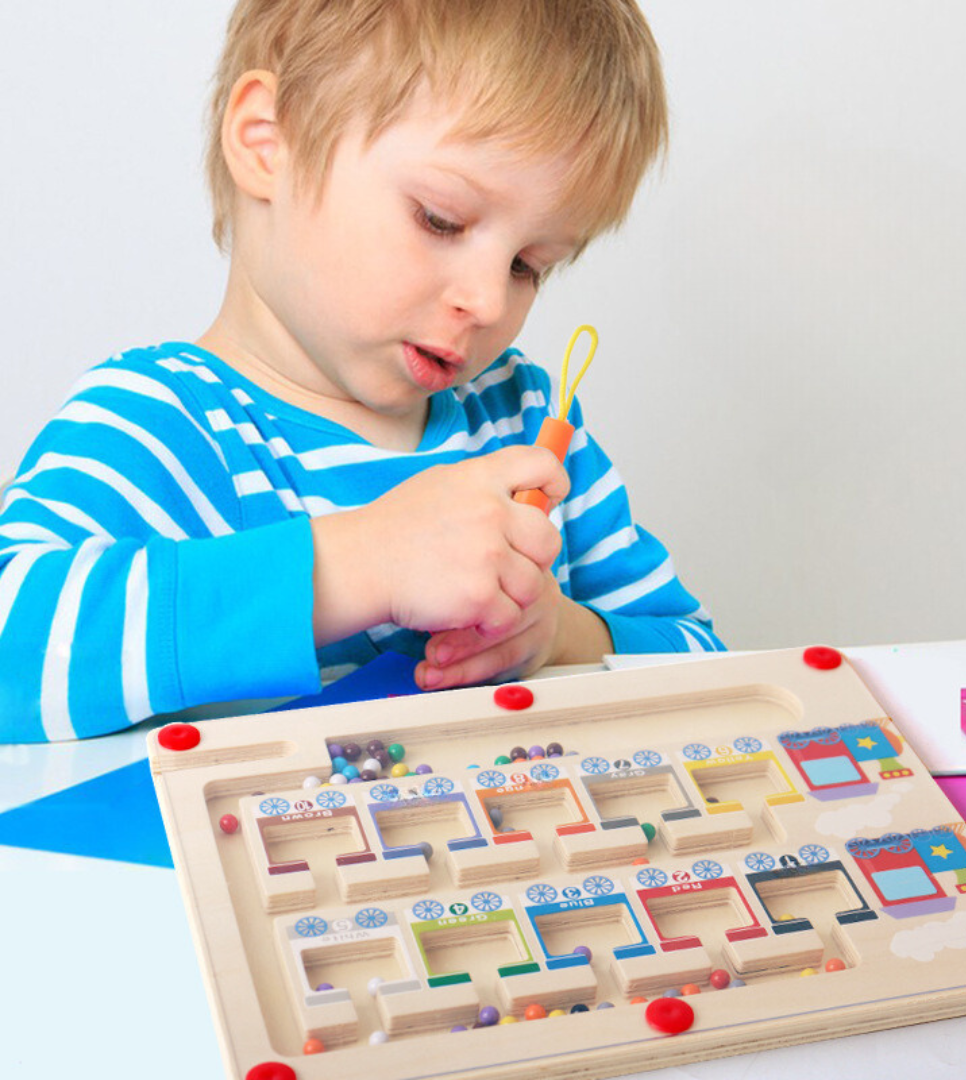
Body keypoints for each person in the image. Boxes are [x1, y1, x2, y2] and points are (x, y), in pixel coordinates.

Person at [0, 0, 722, 744]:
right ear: (267, 144)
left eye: (527, 266)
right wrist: (354, 566)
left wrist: (563, 635)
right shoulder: (162, 422)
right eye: (441, 219)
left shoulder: (525, 424)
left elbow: (711, 668)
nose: (486, 300)